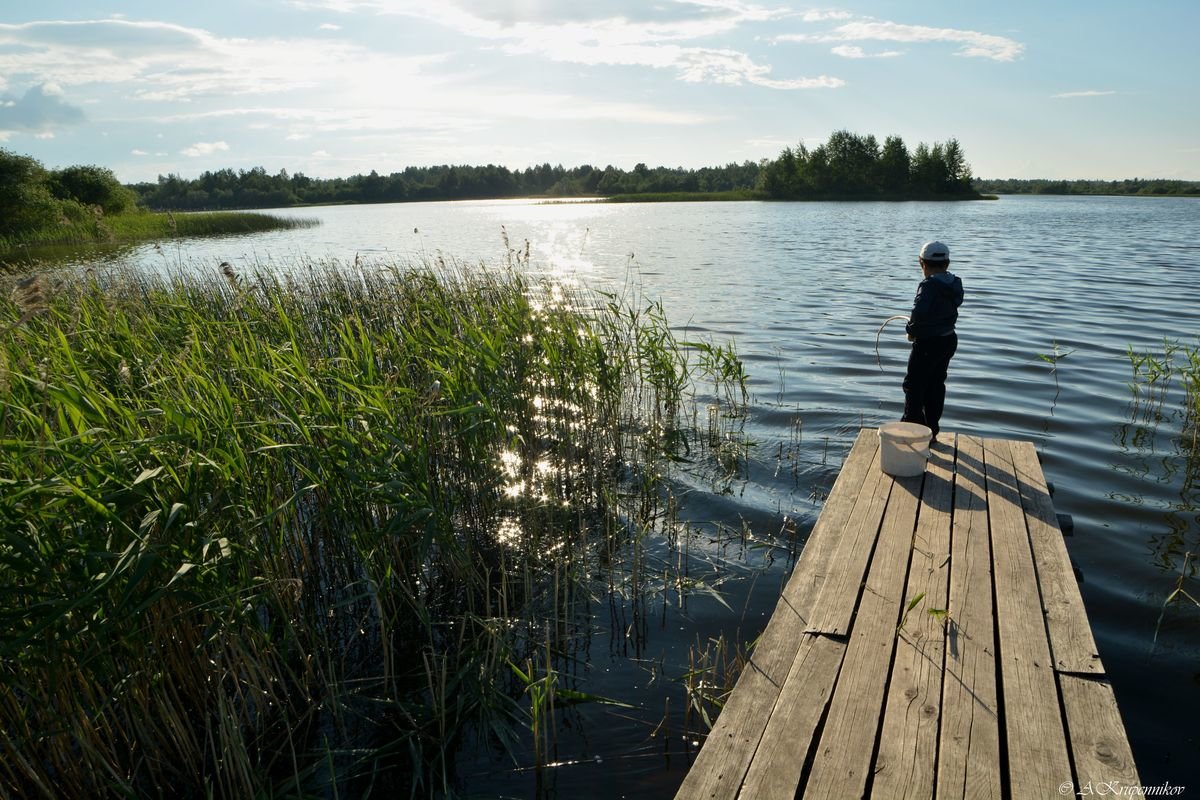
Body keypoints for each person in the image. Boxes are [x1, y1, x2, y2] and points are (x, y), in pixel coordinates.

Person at [901, 240, 963, 441]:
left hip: (927, 344)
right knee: (936, 385)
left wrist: (911, 330)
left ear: (922, 263)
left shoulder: (927, 286)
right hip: (948, 341)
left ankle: (911, 432)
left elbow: (918, 313)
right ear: (948, 263)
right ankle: (932, 431)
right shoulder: (956, 283)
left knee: (914, 386)